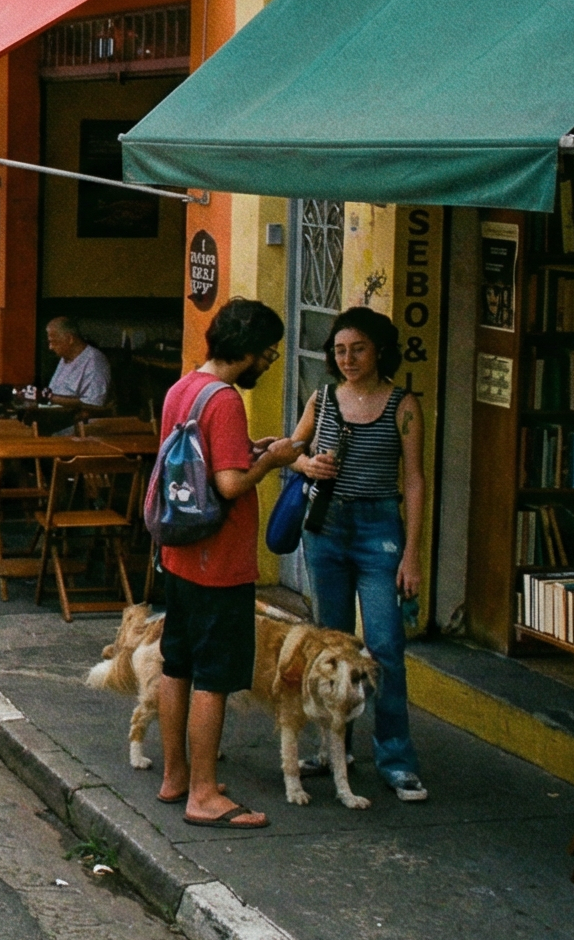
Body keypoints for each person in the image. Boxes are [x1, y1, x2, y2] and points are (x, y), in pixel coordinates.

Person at [154, 299, 301, 832]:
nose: (270, 362)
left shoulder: (184, 387)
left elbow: (196, 460)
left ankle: (175, 776)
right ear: (250, 351)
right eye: (268, 353)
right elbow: (230, 483)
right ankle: (203, 794)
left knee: (177, 664)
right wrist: (273, 459)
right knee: (213, 677)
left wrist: (248, 450)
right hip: (220, 561)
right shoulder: (226, 401)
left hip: (179, 553)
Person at [286, 306, 429, 804]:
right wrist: (309, 464)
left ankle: (395, 758)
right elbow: (290, 450)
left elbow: (413, 481)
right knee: (331, 648)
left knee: (385, 647)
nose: (347, 359)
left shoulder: (403, 406)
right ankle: (333, 751)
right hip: (326, 530)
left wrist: (412, 554)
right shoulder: (323, 399)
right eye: (340, 350)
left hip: (379, 531)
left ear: (379, 350)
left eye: (358, 349)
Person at [36, 317, 115, 431]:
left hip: (75, 425)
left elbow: (93, 405)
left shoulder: (94, 361)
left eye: (53, 342)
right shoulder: (65, 358)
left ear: (69, 339)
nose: (50, 347)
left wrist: (50, 398)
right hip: (51, 417)